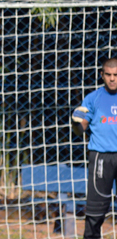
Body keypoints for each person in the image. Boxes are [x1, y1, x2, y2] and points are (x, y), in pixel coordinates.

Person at [71, 58, 117, 239]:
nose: (112, 79)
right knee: (95, 214)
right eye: (108, 75)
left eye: (116, 75)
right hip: (101, 158)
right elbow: (80, 128)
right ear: (102, 75)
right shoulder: (93, 98)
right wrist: (75, 123)